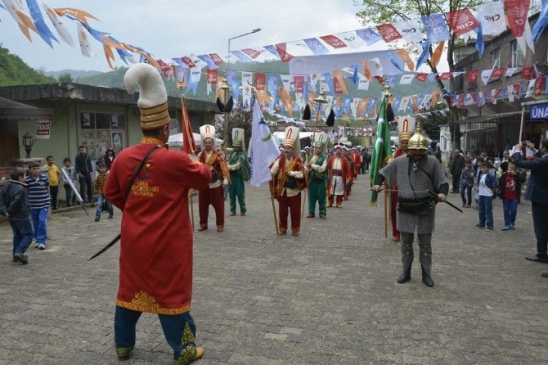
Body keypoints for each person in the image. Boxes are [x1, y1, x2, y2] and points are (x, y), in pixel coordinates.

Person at [103, 63, 211, 363]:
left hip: (135, 240)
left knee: (130, 290)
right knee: (171, 294)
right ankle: (184, 349)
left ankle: (123, 346)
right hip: (168, 242)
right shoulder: (174, 161)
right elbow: (204, 177)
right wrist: (193, 159)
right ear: (165, 128)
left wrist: (137, 209)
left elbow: (110, 193)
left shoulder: (123, 158)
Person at [372, 124, 448, 287]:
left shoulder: (433, 162)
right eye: (415, 150)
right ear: (409, 149)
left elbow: (443, 182)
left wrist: (442, 193)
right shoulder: (399, 161)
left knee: (425, 244)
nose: (418, 154)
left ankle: (426, 273)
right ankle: (405, 271)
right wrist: (378, 184)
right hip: (405, 208)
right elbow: (382, 173)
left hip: (425, 208)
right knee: (406, 243)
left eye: (421, 151)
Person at [512, 140, 548, 263]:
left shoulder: (542, 162)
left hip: (540, 197)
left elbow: (519, 162)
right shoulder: (543, 159)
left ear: (544, 148)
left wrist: (517, 150)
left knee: (540, 227)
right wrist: (535, 150)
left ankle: (542, 253)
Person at [269, 126, 307, 236]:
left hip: (294, 190)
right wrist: (268, 172)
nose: (286, 150)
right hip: (282, 190)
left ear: (293, 149)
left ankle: (295, 229)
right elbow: (273, 171)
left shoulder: (298, 161)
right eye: (285, 148)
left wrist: (292, 173)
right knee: (282, 212)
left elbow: (303, 173)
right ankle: (283, 228)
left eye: (289, 148)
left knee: (295, 212)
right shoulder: (280, 160)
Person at [197, 125, 231, 232]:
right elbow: (196, 168)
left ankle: (220, 224)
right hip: (203, 185)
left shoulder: (218, 155)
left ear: (212, 143)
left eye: (209, 142)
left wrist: (225, 179)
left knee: (219, 207)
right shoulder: (200, 155)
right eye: (206, 142)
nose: (207, 144)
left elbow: (224, 167)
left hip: (215, 184)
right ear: (204, 143)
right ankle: (203, 224)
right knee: (202, 206)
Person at [387, 117, 415, 242]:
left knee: (409, 211)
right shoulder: (395, 154)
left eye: (407, 142)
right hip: (397, 187)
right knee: (395, 210)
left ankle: (407, 232)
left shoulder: (416, 154)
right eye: (403, 142)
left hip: (411, 187)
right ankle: (396, 232)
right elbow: (389, 168)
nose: (404, 144)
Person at [0, 169, 33, 264]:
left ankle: (15, 254)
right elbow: (16, 202)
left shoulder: (5, 186)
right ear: (20, 178)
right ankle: (19, 252)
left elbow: (1, 200)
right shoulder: (20, 189)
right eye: (25, 176)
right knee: (28, 235)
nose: (26, 178)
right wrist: (8, 211)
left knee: (17, 235)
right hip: (21, 215)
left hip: (11, 217)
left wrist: (4, 212)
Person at [25, 161, 50, 250]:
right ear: (30, 170)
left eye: (37, 168)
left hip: (43, 204)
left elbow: (47, 190)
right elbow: (27, 192)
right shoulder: (27, 180)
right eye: (34, 169)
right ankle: (37, 239)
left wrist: (47, 201)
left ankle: (42, 241)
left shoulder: (44, 178)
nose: (36, 170)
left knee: (42, 221)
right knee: (35, 223)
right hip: (33, 205)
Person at [227, 128, 249, 216]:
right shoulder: (232, 153)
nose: (235, 148)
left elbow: (237, 166)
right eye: (234, 146)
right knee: (231, 194)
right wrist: (223, 146)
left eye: (237, 147)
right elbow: (226, 149)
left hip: (238, 177)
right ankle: (233, 210)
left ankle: (243, 210)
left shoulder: (241, 155)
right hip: (231, 177)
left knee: (240, 194)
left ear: (239, 146)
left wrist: (227, 167)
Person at [498, 162, 525, 231]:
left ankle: (512, 222)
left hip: (514, 197)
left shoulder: (517, 175)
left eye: (512, 168)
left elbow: (523, 180)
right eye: (509, 167)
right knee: (506, 210)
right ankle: (507, 224)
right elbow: (500, 183)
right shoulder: (504, 175)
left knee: (513, 210)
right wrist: (500, 193)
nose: (510, 169)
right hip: (506, 196)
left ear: (515, 169)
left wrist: (516, 175)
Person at [306, 132, 328, 219]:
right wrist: (306, 168)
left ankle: (322, 212)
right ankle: (311, 212)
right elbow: (305, 166)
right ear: (314, 148)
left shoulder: (324, 158)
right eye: (316, 148)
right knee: (311, 198)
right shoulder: (310, 157)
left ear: (322, 149)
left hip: (321, 181)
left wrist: (313, 165)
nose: (318, 149)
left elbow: (322, 169)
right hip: (312, 181)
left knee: (321, 198)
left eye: (320, 148)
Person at [326, 144, 351, 208]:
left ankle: (339, 203)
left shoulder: (344, 159)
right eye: (337, 151)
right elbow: (327, 167)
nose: (338, 152)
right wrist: (327, 174)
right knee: (331, 190)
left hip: (340, 178)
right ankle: (330, 202)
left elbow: (348, 169)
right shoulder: (331, 159)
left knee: (339, 191)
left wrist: (348, 177)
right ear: (335, 151)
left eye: (340, 151)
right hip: (332, 177)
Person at [475, 161, 497, 231]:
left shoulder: (490, 176)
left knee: (488, 211)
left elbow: (495, 184)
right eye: (482, 168)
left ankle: (490, 225)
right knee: (481, 209)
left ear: (488, 168)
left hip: (488, 195)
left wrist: (493, 193)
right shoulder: (480, 175)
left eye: (484, 168)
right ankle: (482, 222)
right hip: (481, 194)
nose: (482, 169)